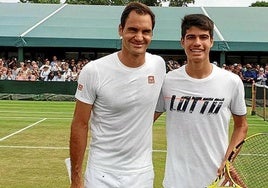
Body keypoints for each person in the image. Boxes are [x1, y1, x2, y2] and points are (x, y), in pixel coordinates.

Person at [69, 2, 166, 188]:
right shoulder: (94, 71)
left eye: (146, 31)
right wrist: (76, 179)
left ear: (152, 34)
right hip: (101, 173)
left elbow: (162, 103)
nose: (139, 37)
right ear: (120, 30)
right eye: (132, 30)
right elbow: (79, 125)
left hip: (142, 173)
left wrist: (140, 124)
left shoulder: (158, 65)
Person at [154, 14, 248, 188]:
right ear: (182, 41)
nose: (197, 43)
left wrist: (229, 161)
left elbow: (241, 126)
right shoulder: (167, 81)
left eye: (203, 37)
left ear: (211, 41)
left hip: (218, 182)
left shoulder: (231, 81)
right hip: (176, 182)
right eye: (191, 37)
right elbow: (144, 120)